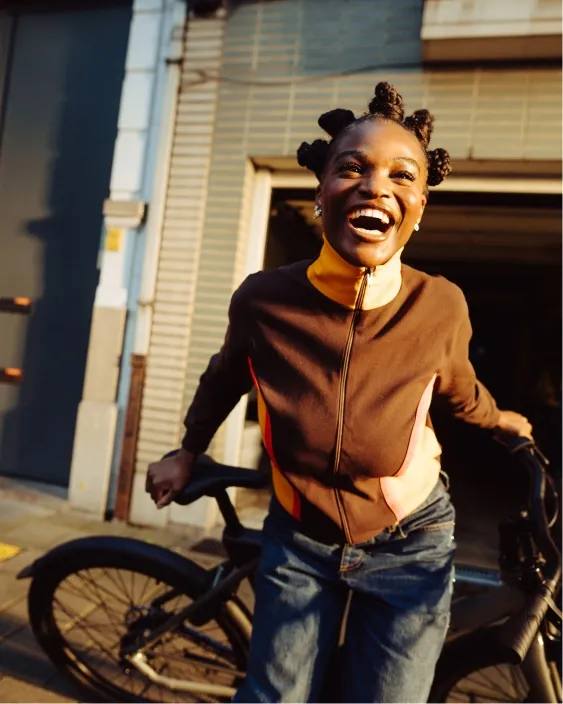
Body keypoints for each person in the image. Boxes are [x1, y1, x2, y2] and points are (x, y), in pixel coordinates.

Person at [146, 82, 532, 703]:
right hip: (299, 536)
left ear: (420, 207)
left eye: (401, 176)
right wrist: (188, 449)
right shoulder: (264, 298)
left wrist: (500, 421)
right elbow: (224, 377)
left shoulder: (441, 304)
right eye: (351, 168)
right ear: (321, 193)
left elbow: (461, 392)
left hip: (412, 540)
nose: (376, 185)